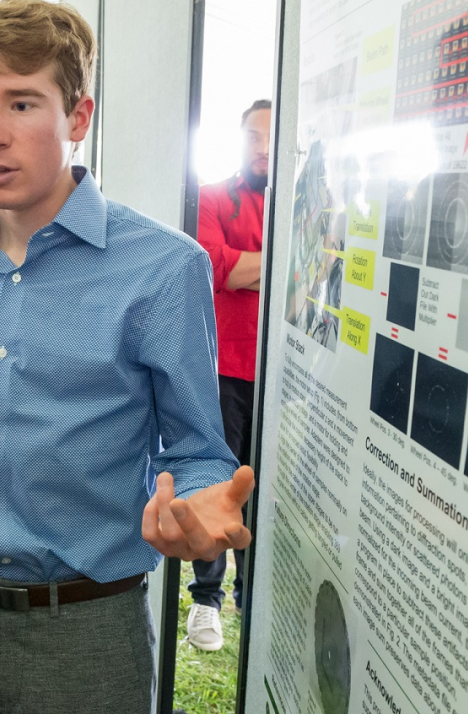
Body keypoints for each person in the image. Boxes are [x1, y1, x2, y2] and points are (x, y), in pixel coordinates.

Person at [0, 0, 255, 713]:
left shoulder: (164, 268)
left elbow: (197, 447)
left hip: (85, 630)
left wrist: (194, 497)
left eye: (22, 103)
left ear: (78, 117)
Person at [189, 99, 272, 651]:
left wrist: (250, 266)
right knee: (221, 481)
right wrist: (291, 257)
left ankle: (254, 594)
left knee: (266, 486)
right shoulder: (212, 196)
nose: (261, 146)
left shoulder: (310, 204)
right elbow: (214, 266)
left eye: (271, 136)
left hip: (285, 375)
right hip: (224, 365)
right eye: (251, 135)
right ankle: (206, 600)